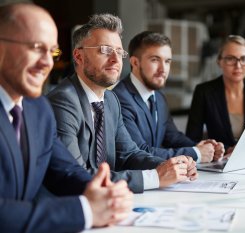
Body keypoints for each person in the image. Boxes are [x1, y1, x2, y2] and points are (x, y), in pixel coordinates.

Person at [0, 3, 133, 233]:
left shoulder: (37, 108)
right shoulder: (57, 101)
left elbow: (65, 171)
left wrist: (103, 191)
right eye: (35, 47)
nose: (47, 63)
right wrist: (86, 210)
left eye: (51, 51)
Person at [47, 14, 197, 194]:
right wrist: (155, 177)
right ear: (79, 56)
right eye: (104, 50)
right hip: (75, 209)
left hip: (112, 202)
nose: (115, 60)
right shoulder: (63, 101)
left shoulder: (110, 100)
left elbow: (129, 154)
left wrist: (171, 166)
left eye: (119, 52)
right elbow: (76, 176)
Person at [113, 31, 224, 163]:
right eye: (155, 60)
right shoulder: (119, 99)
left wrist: (203, 147)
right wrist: (196, 153)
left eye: (167, 61)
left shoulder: (158, 97)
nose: (163, 69)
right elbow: (139, 152)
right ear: (135, 63)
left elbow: (172, 137)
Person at [186, 35, 245, 154]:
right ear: (219, 61)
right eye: (231, 59)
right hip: (218, 162)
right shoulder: (204, 92)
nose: (238, 66)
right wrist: (220, 149)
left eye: (244, 59)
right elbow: (192, 138)